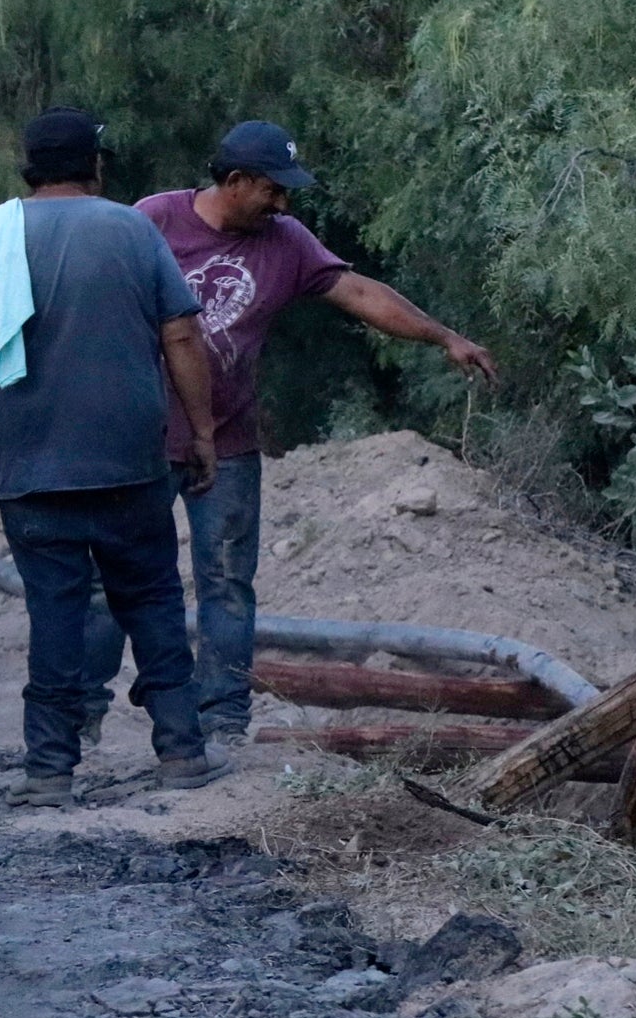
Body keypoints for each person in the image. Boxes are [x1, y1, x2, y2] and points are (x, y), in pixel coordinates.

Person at [89, 121, 500, 742]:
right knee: (113, 576)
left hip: (227, 439)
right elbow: (94, 302)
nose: (282, 203)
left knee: (228, 583)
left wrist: (444, 337)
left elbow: (359, 292)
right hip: (140, 437)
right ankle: (83, 716)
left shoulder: (287, 241)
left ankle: (223, 717)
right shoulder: (154, 219)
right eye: (272, 190)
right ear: (234, 181)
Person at [0, 106, 232, 807]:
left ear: (30, 167)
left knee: (55, 614)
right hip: (131, 462)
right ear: (94, 164)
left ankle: (50, 771)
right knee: (152, 599)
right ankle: (182, 751)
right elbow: (181, 335)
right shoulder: (132, 228)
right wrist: (202, 432)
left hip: (33, 469)